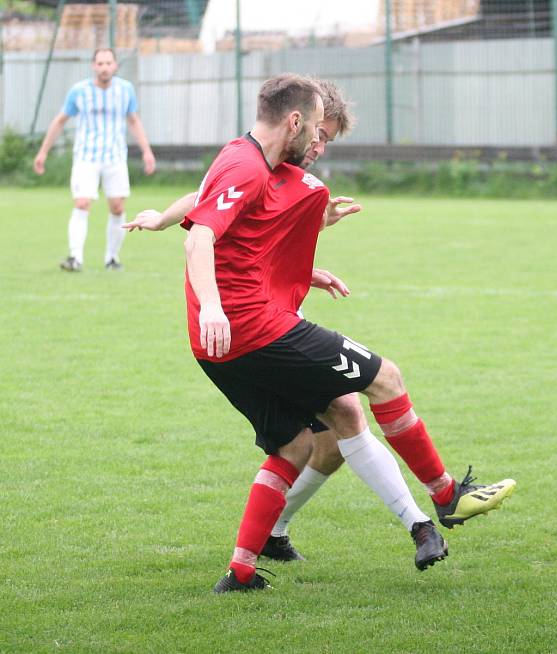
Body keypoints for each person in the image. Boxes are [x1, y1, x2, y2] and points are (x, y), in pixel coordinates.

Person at [132, 75, 516, 592]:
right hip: (255, 328)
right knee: (385, 380)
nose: (318, 144)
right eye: (317, 131)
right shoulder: (250, 166)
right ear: (296, 120)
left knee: (302, 443)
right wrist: (215, 310)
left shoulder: (249, 159)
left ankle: (243, 570)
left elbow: (210, 205)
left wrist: (160, 220)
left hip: (222, 347)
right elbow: (201, 238)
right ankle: (444, 497)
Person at [33, 48, 156, 272]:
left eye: (108, 63)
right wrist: (43, 152)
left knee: (118, 207)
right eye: (100, 63)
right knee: (82, 203)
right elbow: (60, 120)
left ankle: (112, 258)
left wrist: (147, 151)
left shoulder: (125, 90)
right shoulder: (79, 91)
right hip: (86, 157)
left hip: (115, 157)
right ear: (93, 66)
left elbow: (133, 121)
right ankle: (75, 258)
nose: (104, 67)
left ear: (115, 66)